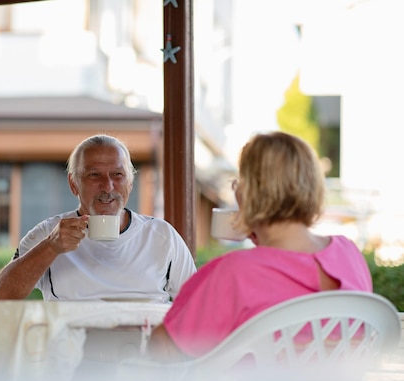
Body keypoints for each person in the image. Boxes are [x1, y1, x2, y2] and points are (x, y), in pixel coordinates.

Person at [147, 131, 373, 361]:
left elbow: (162, 351)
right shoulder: (349, 254)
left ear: (250, 192)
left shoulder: (235, 272)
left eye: (239, 180)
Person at [0, 134, 197, 303]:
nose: (107, 187)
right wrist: (51, 247)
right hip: (73, 349)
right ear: (73, 184)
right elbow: (3, 294)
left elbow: (196, 304)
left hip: (144, 347)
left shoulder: (161, 235)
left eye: (117, 174)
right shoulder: (50, 233)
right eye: (93, 175)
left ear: (130, 182)